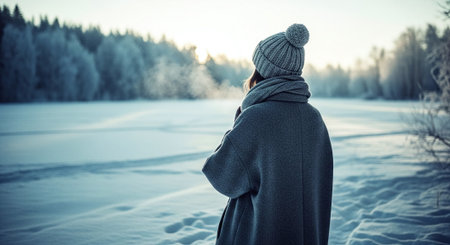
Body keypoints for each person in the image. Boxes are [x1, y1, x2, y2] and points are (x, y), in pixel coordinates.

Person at [202, 23, 333, 245]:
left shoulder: (256, 118)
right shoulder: (315, 119)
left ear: (264, 71)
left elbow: (222, 177)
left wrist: (239, 123)